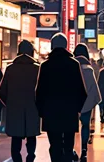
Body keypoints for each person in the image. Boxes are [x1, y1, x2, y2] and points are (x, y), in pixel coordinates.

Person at [36, 33, 87, 162]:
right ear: (66, 46)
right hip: (69, 111)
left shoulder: (45, 65)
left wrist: (40, 110)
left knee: (55, 145)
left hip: (50, 111)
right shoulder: (74, 64)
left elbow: (39, 91)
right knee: (68, 146)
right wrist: (79, 108)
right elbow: (81, 90)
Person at [0, 40, 40, 162]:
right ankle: (30, 157)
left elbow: (1, 91)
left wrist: (10, 103)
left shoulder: (10, 69)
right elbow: (42, 90)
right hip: (33, 108)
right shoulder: (37, 69)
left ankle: (17, 159)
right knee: (31, 136)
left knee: (15, 139)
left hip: (15, 109)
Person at [74, 44, 101, 161]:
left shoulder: (71, 67)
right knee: (85, 126)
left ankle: (71, 150)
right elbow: (94, 89)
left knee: (71, 128)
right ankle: (84, 149)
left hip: (72, 104)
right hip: (86, 103)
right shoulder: (89, 69)